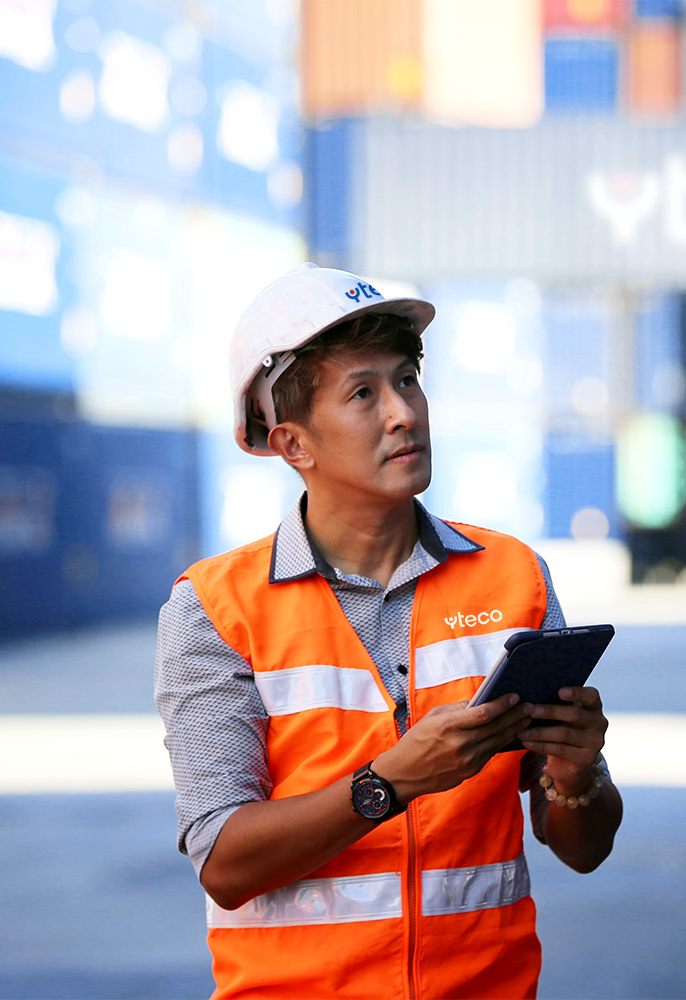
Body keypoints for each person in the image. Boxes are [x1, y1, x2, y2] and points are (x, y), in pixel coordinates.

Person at [156, 263, 622, 998]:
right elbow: (225, 861)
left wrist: (579, 771)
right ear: (294, 445)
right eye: (363, 394)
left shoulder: (514, 578)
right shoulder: (216, 608)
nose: (403, 412)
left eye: (407, 379)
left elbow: (583, 847)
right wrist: (388, 785)